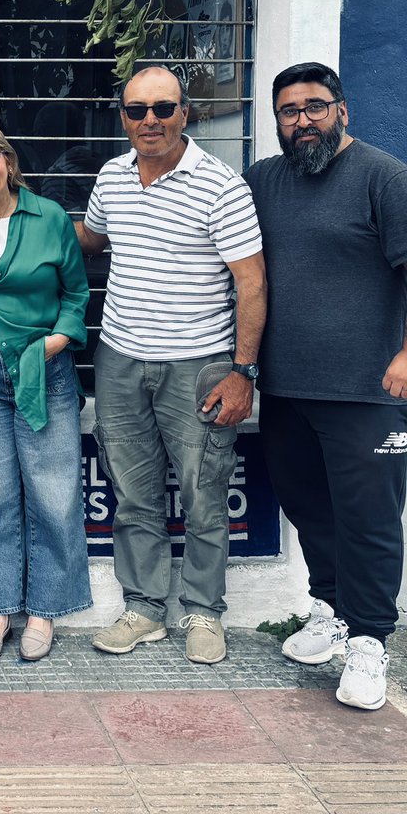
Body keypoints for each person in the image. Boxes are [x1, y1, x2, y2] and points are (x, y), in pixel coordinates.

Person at [78, 66, 266, 665]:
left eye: (164, 108)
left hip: (199, 365)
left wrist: (243, 372)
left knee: (204, 494)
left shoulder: (221, 185)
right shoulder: (111, 177)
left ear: (186, 113)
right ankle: (144, 609)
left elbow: (252, 284)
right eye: (137, 110)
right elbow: (88, 240)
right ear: (123, 117)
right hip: (120, 360)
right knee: (133, 495)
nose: (150, 121)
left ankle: (205, 613)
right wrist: (8, 216)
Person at [246, 62, 407, 711]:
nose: (303, 120)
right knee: (308, 507)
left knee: (368, 519)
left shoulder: (384, 177)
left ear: (343, 110)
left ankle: (370, 641)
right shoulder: (263, 180)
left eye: (315, 106)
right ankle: (333, 610)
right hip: (286, 387)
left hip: (369, 390)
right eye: (289, 111)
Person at [0, 123, 91, 663]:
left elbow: (77, 293)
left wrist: (54, 342)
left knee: (53, 494)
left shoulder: (48, 217)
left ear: (8, 161)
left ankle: (45, 610)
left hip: (42, 370)